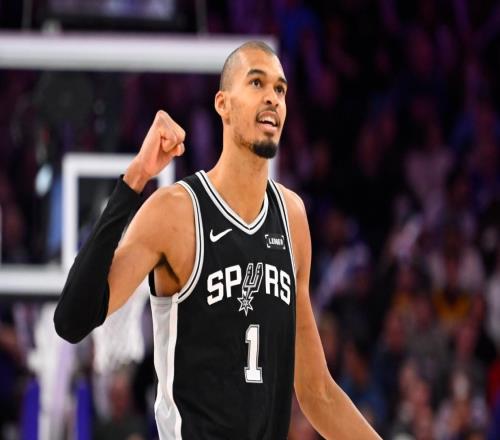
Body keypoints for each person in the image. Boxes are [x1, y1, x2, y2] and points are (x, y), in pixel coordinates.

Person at [54, 41, 381, 439]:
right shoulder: (175, 212)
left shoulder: (292, 218)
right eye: (257, 83)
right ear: (223, 104)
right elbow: (72, 319)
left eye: (280, 89)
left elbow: (317, 393)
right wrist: (136, 176)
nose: (272, 98)